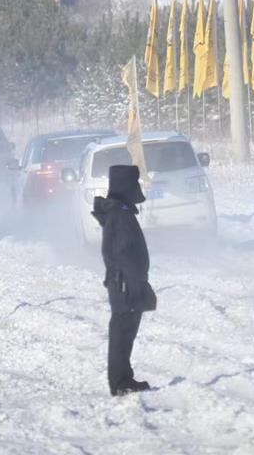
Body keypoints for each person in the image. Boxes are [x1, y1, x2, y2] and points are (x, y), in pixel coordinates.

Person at [92, 164, 156, 397]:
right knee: (122, 331)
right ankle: (120, 382)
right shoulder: (120, 215)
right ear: (126, 186)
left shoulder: (120, 212)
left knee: (125, 332)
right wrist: (134, 283)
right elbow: (122, 252)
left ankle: (124, 378)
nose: (136, 188)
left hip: (125, 281)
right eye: (134, 184)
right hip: (125, 282)